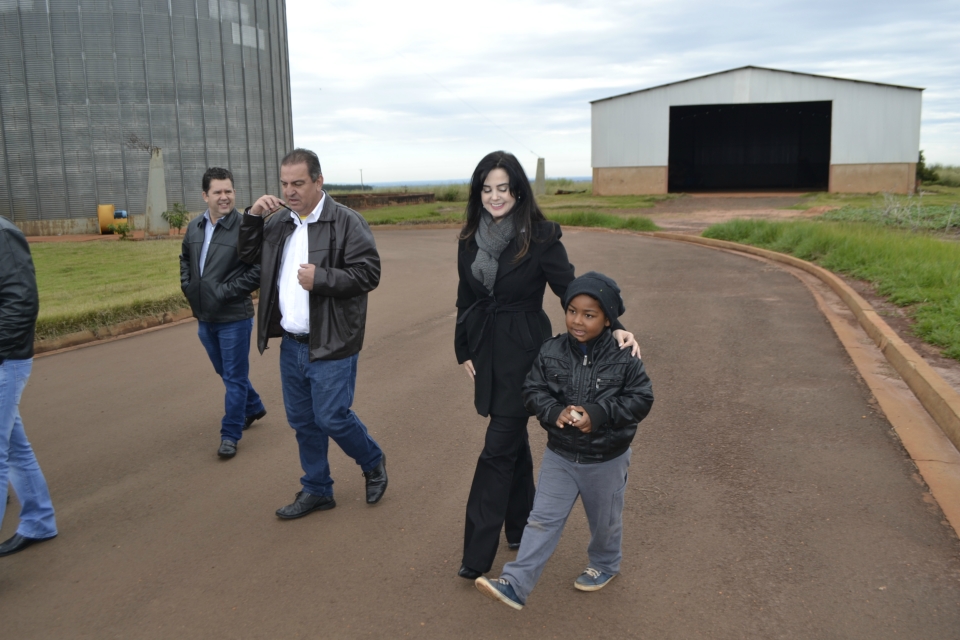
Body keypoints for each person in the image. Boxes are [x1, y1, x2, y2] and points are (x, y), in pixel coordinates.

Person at [455, 151, 640, 580]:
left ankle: (476, 555)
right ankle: (519, 526)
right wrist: (462, 349)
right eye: (486, 189)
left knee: (497, 447)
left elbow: (570, 289)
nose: (494, 197)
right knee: (511, 438)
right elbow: (465, 300)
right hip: (485, 349)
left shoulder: (540, 236)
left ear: (518, 190)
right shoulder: (469, 238)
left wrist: (615, 326)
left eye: (503, 188)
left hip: (526, 354)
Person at [475, 272, 654, 609]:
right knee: (542, 519)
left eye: (589, 314)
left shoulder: (623, 355)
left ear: (608, 318)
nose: (578, 320)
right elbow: (532, 390)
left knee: (605, 522)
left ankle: (604, 565)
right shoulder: (551, 349)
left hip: (606, 459)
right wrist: (554, 411)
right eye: (572, 311)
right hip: (560, 455)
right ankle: (515, 583)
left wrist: (598, 414)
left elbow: (641, 400)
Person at [238, 148, 387, 519]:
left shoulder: (347, 222)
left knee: (332, 417)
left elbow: (369, 273)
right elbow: (245, 257)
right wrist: (253, 217)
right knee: (304, 422)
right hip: (292, 343)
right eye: (285, 183)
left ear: (318, 182)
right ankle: (317, 489)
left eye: (298, 183)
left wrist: (320, 278)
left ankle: (372, 461)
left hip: (333, 341)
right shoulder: (277, 222)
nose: (290, 191)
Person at [180, 167, 266, 459]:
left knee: (233, 376)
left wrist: (225, 293)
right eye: (217, 191)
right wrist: (190, 288)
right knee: (227, 373)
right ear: (205, 196)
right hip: (205, 317)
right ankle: (253, 406)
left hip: (234, 318)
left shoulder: (245, 228)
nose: (224, 197)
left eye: (228, 190)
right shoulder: (195, 227)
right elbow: (185, 260)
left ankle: (230, 434)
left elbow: (258, 270)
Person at [0, 216, 58, 557]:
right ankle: (39, 520)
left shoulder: (4, 235)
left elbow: (22, 302)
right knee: (13, 444)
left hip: (6, 359)